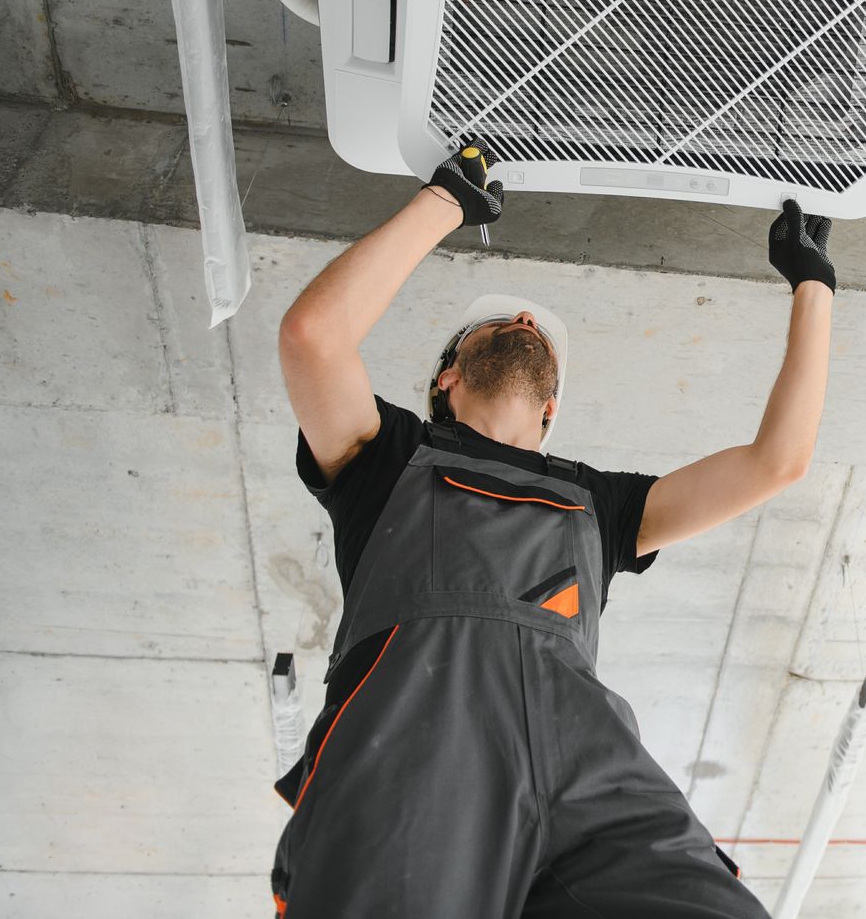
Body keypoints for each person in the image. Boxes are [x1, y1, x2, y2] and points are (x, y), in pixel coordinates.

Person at [268, 145, 836, 917]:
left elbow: (776, 462)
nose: (528, 319)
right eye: (499, 323)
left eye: (532, 327)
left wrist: (815, 282)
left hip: (594, 780)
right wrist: (447, 200)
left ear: (550, 412)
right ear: (447, 378)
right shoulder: (387, 458)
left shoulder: (599, 504)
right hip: (417, 762)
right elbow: (312, 336)